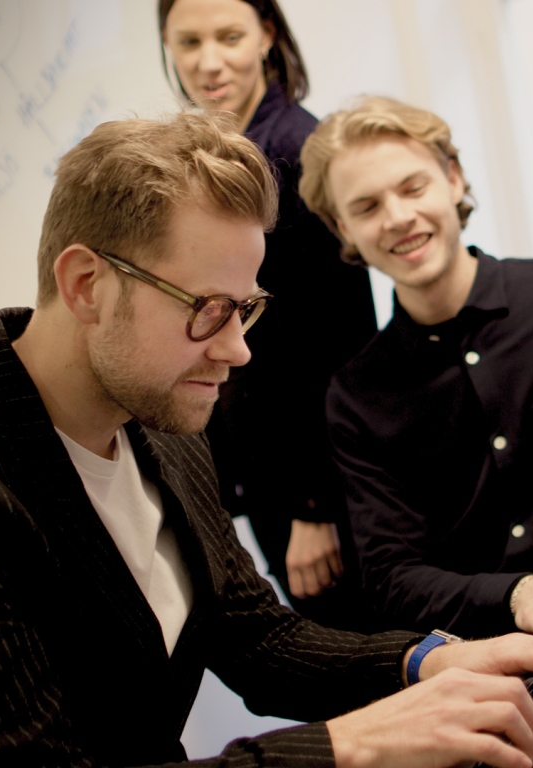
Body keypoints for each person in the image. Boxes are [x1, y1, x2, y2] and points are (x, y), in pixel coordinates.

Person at [0, 111, 533, 767]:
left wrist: (425, 661)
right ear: (86, 284)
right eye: (208, 310)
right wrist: (348, 745)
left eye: (247, 310)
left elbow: (254, 635)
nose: (237, 350)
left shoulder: (158, 418)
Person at [298, 95, 533, 647]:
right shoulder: (356, 395)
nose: (397, 217)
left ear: (453, 179)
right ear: (341, 227)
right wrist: (518, 593)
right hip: (507, 669)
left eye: (413, 187)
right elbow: (391, 579)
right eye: (367, 207)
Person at [158, 0, 378, 628]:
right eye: (189, 41)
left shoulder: (293, 153)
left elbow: (342, 346)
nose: (208, 62)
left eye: (229, 37)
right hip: (269, 476)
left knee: (364, 667)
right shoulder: (232, 152)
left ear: (267, 35)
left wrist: (315, 507)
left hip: (316, 491)